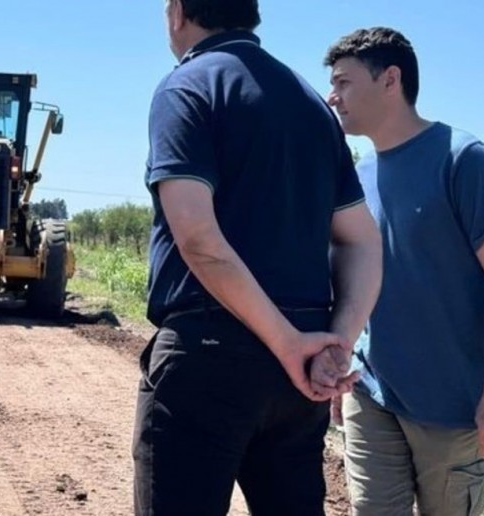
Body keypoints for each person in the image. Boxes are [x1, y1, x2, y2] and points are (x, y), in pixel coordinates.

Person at [132, 1, 383, 514]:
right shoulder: (312, 104)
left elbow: (198, 238)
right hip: (298, 376)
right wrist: (335, 342)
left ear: (178, 12)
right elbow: (362, 240)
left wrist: (290, 343)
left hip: (210, 355)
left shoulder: (188, 87)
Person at [324, 27, 484, 516]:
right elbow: (353, 278)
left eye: (344, 83)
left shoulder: (463, 160)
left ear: (390, 79)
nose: (333, 98)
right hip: (372, 392)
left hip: (452, 405)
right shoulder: (358, 176)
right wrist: (340, 357)